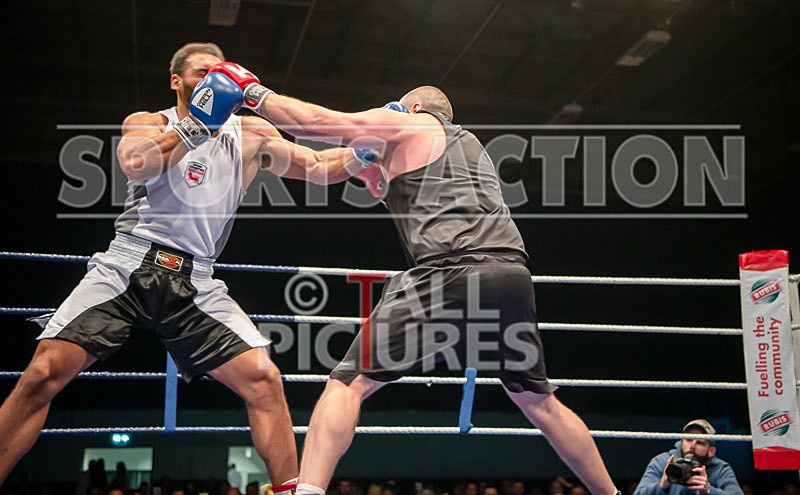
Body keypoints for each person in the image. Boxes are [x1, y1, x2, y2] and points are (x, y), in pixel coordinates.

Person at [203, 63, 619, 495]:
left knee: (347, 383)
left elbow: (317, 123)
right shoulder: (472, 148)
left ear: (414, 107)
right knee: (539, 402)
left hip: (449, 269)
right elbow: (400, 198)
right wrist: (369, 165)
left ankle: (308, 491)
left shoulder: (409, 121)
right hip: (509, 274)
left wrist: (252, 92)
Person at [0, 42, 371, 485]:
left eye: (220, 72)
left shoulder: (251, 133)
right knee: (43, 373)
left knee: (264, 380)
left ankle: (293, 492)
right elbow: (136, 163)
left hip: (196, 279)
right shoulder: (149, 122)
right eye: (201, 72)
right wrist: (198, 124)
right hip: (129, 264)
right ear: (177, 81)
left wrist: (367, 148)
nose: (214, 79)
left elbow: (318, 165)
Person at [634, 419, 744, 495]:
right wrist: (662, 486)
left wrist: (709, 491)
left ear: (711, 451)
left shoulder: (720, 468)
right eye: (689, 440)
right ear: (682, 442)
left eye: (700, 443)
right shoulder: (663, 461)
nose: (692, 446)